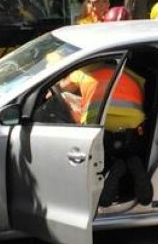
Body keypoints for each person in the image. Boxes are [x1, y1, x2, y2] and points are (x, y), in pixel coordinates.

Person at [57, 61, 152, 205]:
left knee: (101, 157)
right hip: (133, 132)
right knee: (128, 150)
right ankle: (133, 162)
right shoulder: (132, 75)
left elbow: (62, 86)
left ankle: (111, 169)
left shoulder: (83, 72)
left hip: (103, 131)